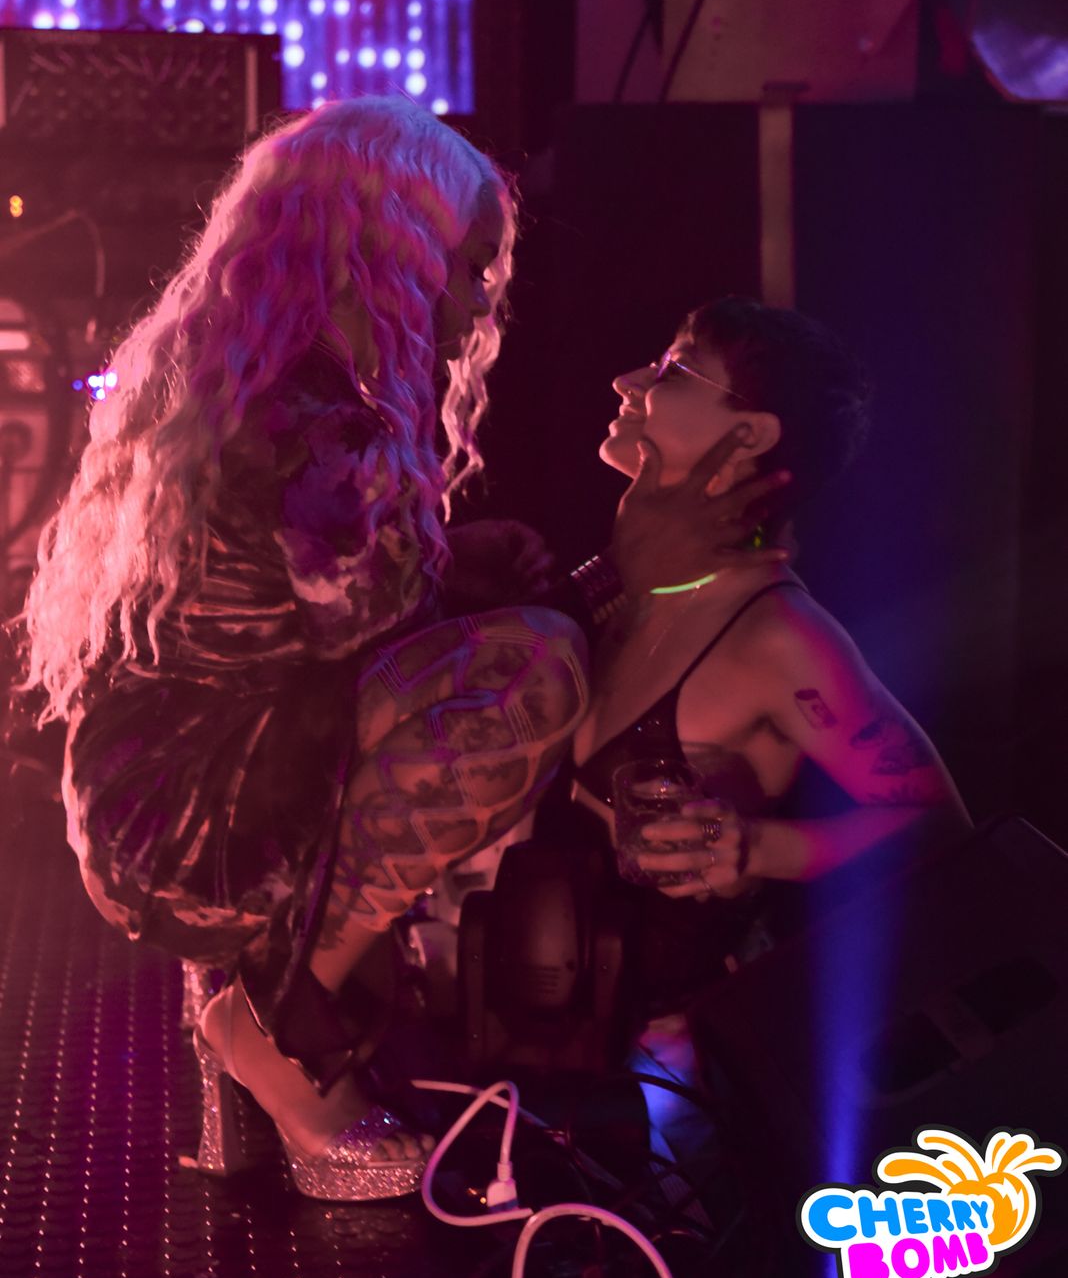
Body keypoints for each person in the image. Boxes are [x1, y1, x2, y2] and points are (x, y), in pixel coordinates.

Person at [17, 99, 782, 1203]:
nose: (479, 302)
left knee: (503, 654)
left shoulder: (247, 383)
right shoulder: (323, 426)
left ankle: (257, 1027)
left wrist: (458, 560)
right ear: (388, 254)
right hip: (197, 816)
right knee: (529, 676)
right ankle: (268, 1031)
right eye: (465, 268)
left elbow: (299, 620)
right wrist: (622, 565)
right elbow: (400, 655)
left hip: (152, 785)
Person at [562, 296, 969, 1015]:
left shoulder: (777, 634)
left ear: (748, 434)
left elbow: (938, 828)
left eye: (674, 371)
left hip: (659, 1058)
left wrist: (755, 848)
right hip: (526, 1023)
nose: (628, 382)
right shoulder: (631, 585)